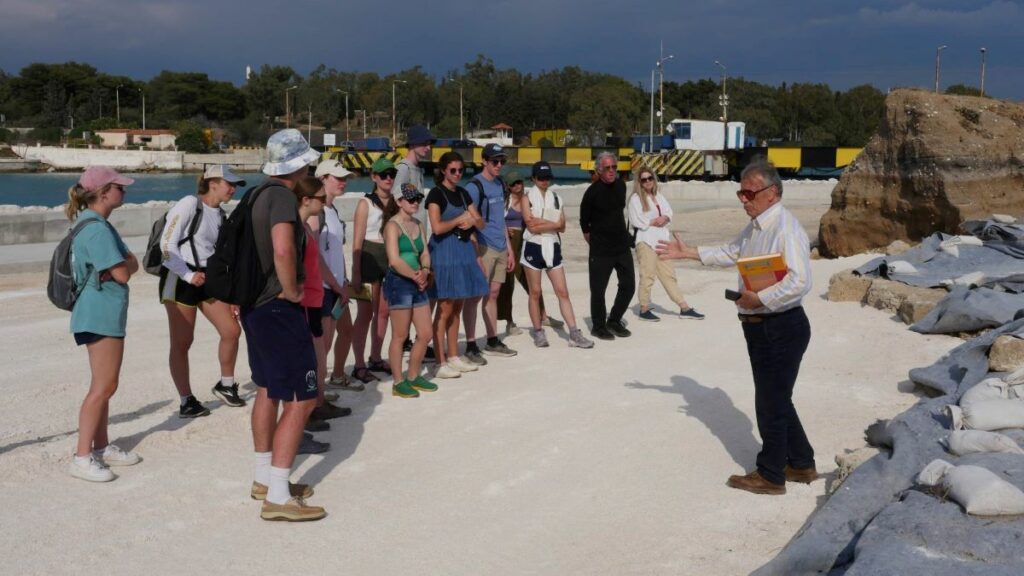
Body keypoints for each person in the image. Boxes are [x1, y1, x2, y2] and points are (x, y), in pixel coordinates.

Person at [657, 159, 815, 496]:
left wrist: (762, 299)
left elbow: (801, 281)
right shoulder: (757, 225)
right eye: (740, 192)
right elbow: (732, 251)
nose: (743, 199)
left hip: (781, 326)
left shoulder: (784, 228)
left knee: (770, 402)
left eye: (749, 193)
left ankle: (771, 475)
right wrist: (690, 253)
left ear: (771, 193)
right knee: (778, 398)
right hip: (762, 326)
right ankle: (801, 463)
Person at [242, 129, 325, 521]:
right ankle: (277, 495)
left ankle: (264, 479)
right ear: (297, 164)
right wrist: (292, 291)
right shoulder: (280, 198)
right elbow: (282, 247)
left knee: (267, 388)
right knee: (302, 398)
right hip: (277, 307)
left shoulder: (255, 194)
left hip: (254, 306)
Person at [65, 166, 142, 482]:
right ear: (104, 192)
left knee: (105, 383)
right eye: (120, 187)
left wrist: (122, 265)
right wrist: (123, 264)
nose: (124, 192)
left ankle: (100, 446)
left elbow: (125, 265)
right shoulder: (96, 229)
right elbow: (125, 270)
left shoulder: (95, 224)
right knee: (104, 386)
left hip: (99, 311)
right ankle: (82, 456)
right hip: (100, 313)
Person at [158, 165, 245, 419]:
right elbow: (167, 245)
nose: (233, 189)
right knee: (183, 342)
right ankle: (186, 400)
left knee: (231, 331)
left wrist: (232, 295)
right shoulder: (188, 204)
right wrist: (187, 274)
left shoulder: (220, 215)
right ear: (212, 183)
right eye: (229, 183)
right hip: (180, 278)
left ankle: (226, 385)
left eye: (235, 185)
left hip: (208, 279)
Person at [293, 176, 346, 452]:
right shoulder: (297, 230)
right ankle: (300, 425)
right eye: (318, 196)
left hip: (314, 299)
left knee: (317, 359)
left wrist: (336, 284)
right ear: (306, 200)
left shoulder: (303, 228)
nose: (322, 200)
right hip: (306, 303)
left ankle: (310, 413)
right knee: (310, 363)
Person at [425, 151, 488, 379]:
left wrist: (473, 219)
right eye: (453, 170)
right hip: (444, 252)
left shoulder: (462, 193)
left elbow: (480, 222)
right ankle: (439, 360)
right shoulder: (435, 194)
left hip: (463, 251)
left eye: (461, 170)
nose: (458, 174)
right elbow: (437, 227)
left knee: (458, 305)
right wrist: (461, 219)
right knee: (445, 307)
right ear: (443, 170)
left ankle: (453, 355)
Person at [520, 161, 594, 349]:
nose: (545, 181)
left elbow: (562, 226)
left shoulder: (556, 198)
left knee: (563, 291)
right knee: (535, 292)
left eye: (547, 177)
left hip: (552, 246)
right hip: (533, 247)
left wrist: (544, 224)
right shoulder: (526, 198)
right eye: (541, 177)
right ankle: (538, 331)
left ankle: (574, 332)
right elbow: (531, 226)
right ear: (534, 178)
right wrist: (552, 224)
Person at [462, 143, 517, 362]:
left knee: (493, 294)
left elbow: (500, 219)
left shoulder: (500, 184)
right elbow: (468, 220)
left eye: (502, 161)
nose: (499, 165)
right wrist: (475, 251)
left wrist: (510, 249)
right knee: (474, 297)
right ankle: (471, 344)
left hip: (500, 246)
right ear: (484, 161)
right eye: (495, 161)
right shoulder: (474, 187)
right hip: (483, 246)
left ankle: (492, 339)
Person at [381, 183, 438, 397]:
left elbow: (424, 252)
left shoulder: (418, 224)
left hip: (417, 281)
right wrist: (417, 276)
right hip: (400, 282)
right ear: (399, 201)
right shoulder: (392, 226)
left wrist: (424, 270)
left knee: (425, 333)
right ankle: (398, 381)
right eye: (411, 199)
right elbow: (394, 260)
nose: (415, 203)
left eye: (417, 199)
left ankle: (414, 375)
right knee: (400, 335)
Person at [627, 166, 704, 322]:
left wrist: (666, 219)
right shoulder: (636, 199)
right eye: (644, 179)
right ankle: (644, 309)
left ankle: (684, 307)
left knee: (669, 275)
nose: (648, 181)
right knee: (647, 275)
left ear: (654, 180)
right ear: (639, 182)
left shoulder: (659, 196)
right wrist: (654, 221)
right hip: (646, 241)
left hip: (662, 241)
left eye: (650, 178)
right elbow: (636, 220)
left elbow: (669, 212)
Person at [313, 160, 358, 394]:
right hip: (323, 288)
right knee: (323, 346)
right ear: (322, 179)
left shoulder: (332, 211)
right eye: (337, 178)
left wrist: (344, 281)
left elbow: (336, 252)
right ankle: (315, 395)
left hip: (336, 286)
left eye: (345, 178)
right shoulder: (316, 212)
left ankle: (329, 383)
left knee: (339, 335)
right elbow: (314, 256)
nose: (343, 182)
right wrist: (335, 284)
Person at [579, 151, 635, 340]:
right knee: (598, 290)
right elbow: (584, 224)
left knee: (628, 286)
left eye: (614, 167)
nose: (612, 171)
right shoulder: (592, 193)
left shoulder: (621, 186)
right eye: (607, 168)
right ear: (599, 170)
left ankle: (614, 320)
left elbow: (619, 214)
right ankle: (598, 325)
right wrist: (595, 243)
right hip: (601, 250)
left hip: (621, 246)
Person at [498, 170, 562, 334]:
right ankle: (509, 321)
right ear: (507, 186)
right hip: (509, 243)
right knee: (508, 283)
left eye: (519, 182)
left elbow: (537, 219)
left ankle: (543, 315)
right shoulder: (504, 201)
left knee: (532, 285)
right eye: (513, 184)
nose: (517, 186)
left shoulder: (530, 199)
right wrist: (504, 231)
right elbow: (495, 221)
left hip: (527, 241)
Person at [350, 157, 396, 384]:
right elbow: (356, 241)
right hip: (369, 258)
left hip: (388, 259)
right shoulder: (365, 204)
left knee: (384, 312)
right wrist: (355, 272)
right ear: (374, 177)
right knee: (365, 314)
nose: (388, 178)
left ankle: (375, 357)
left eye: (391, 174)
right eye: (383, 175)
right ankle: (358, 364)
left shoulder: (396, 202)